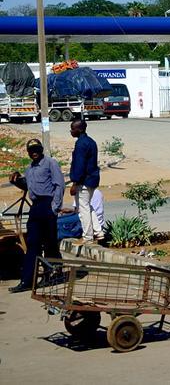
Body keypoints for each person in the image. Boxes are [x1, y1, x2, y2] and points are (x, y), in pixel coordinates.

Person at [8, 139, 65, 293]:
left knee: (49, 242)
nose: (34, 152)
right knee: (32, 243)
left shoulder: (50, 163)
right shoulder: (29, 169)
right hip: (35, 207)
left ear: (41, 150)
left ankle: (53, 273)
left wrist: (55, 207)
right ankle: (27, 280)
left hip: (48, 205)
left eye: (37, 149)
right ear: (28, 152)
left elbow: (59, 184)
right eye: (31, 150)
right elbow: (29, 186)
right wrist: (16, 181)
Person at [69, 119, 101, 243]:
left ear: (80, 129)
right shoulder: (91, 141)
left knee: (83, 209)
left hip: (84, 181)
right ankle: (99, 232)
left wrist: (75, 183)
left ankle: (87, 236)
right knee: (87, 206)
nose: (71, 131)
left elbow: (80, 165)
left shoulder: (81, 144)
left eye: (73, 129)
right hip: (92, 179)